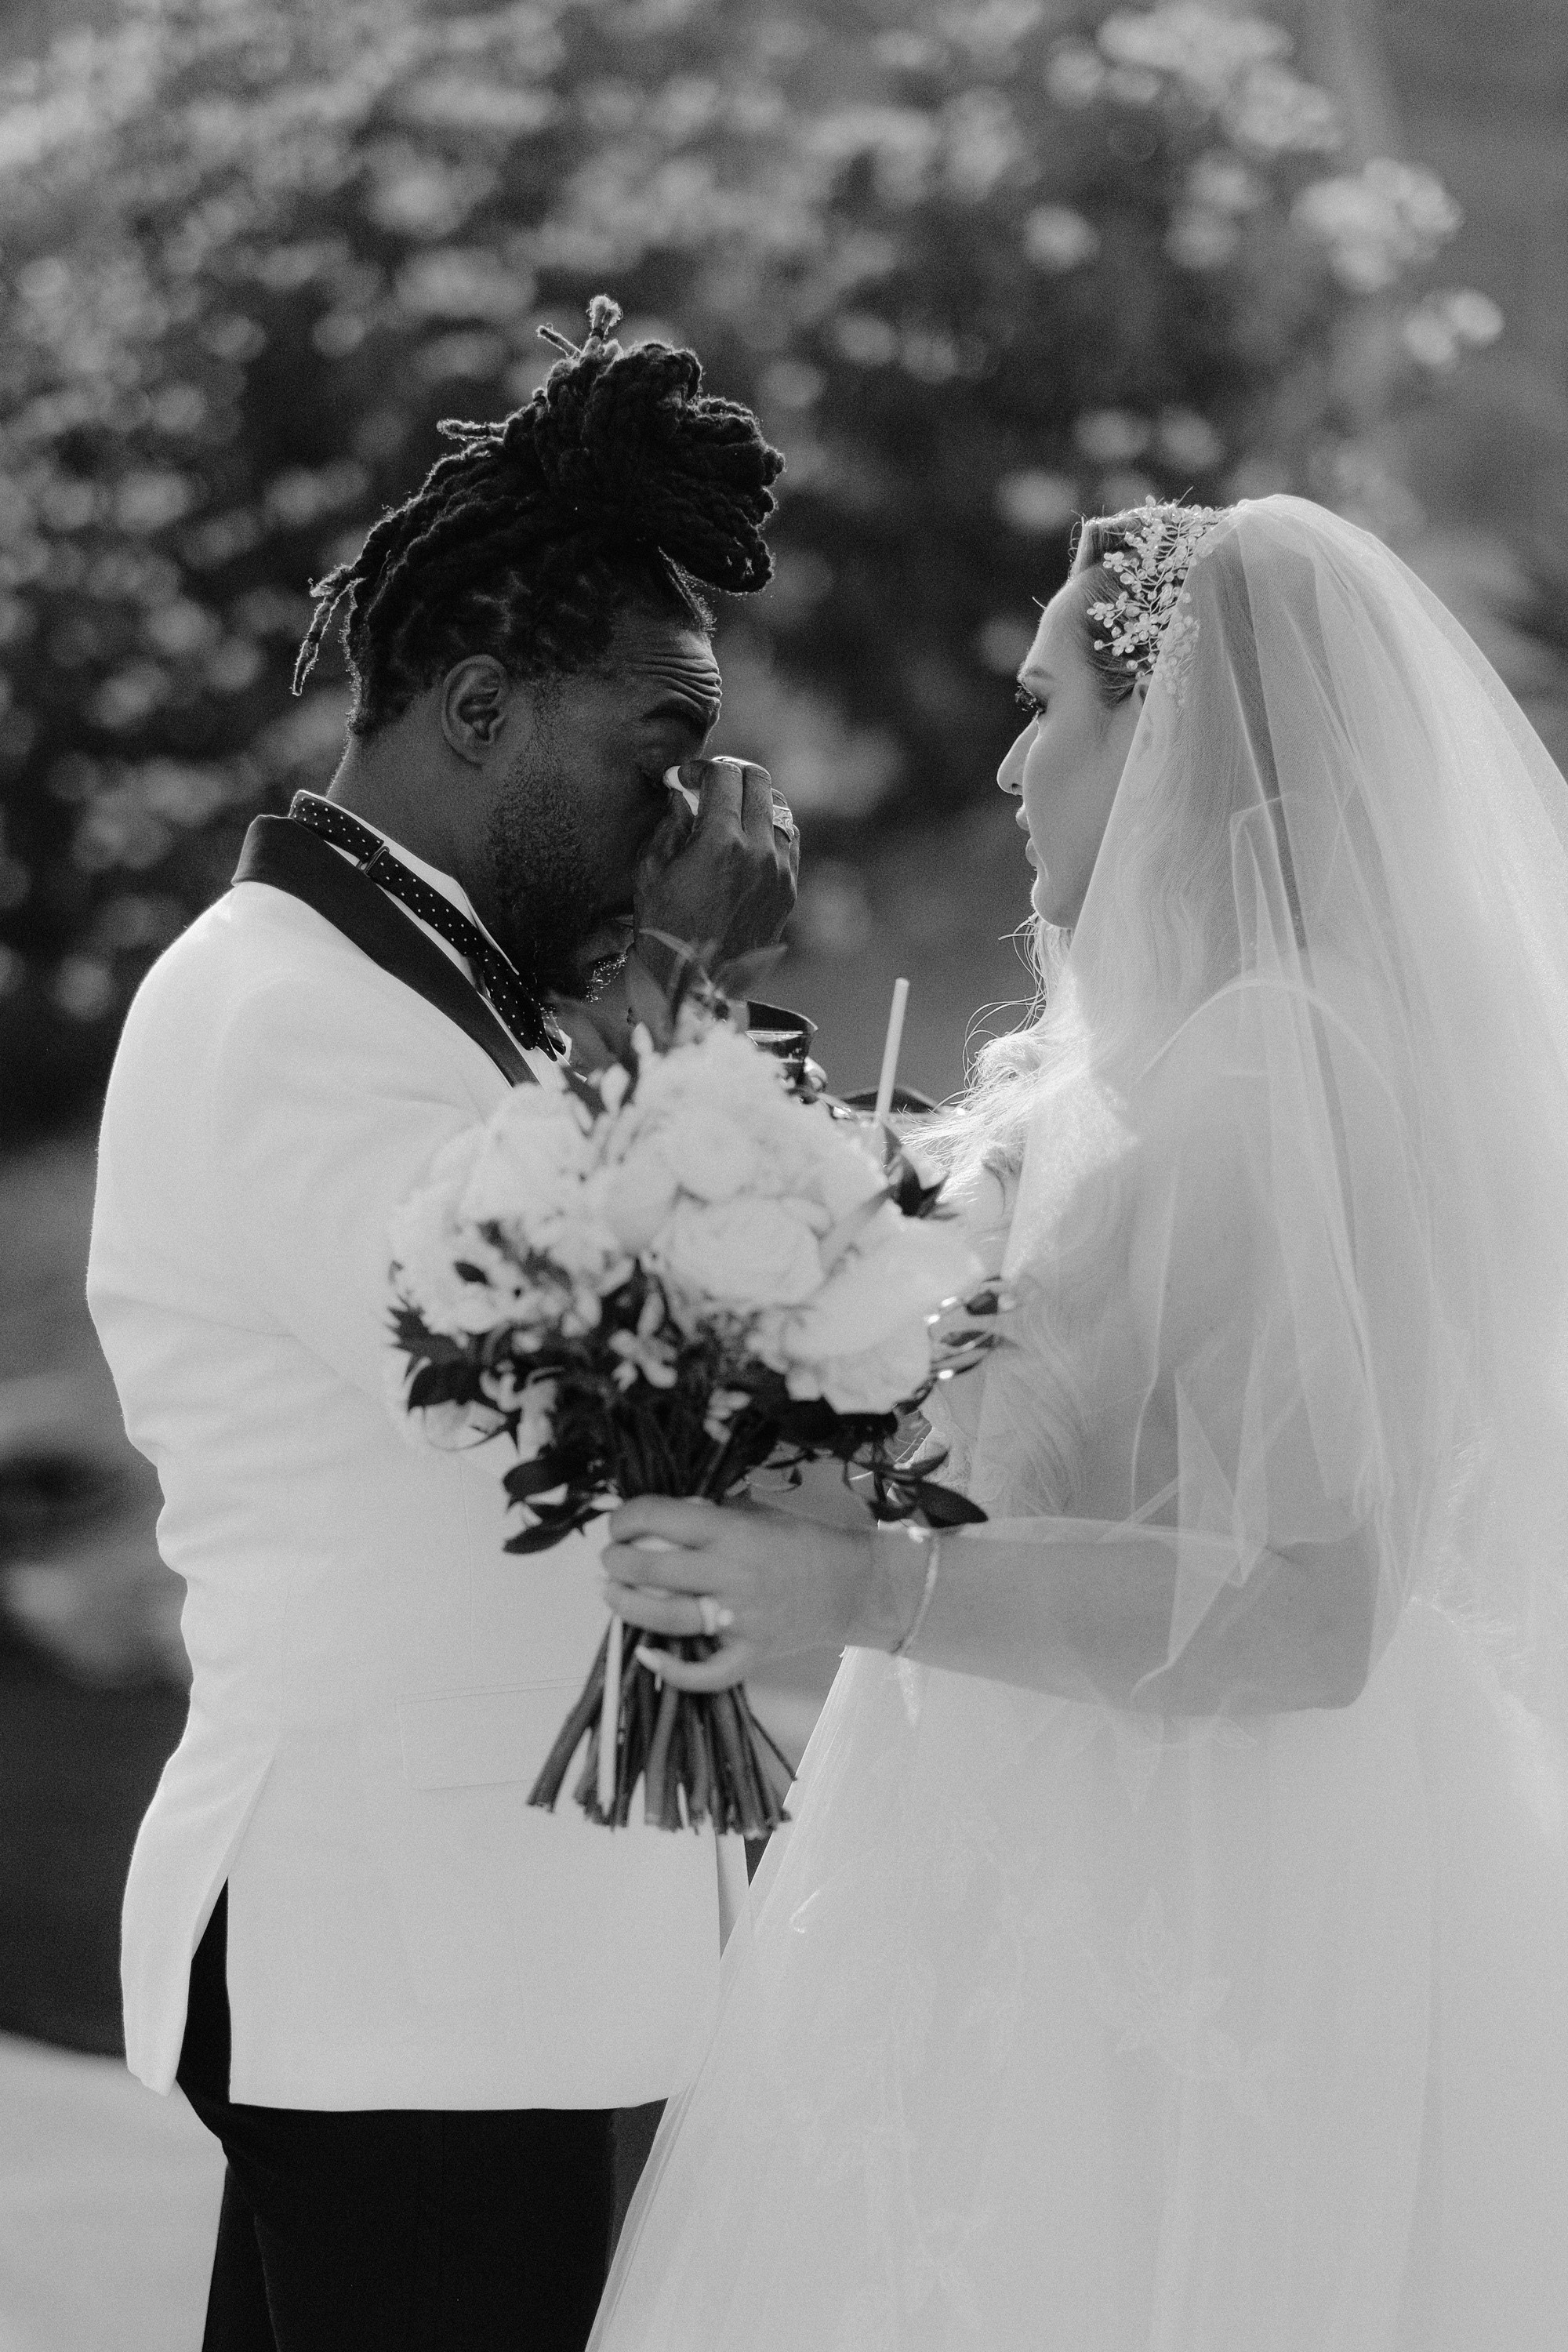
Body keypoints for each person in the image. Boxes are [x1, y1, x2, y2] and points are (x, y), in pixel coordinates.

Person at [589, 495, 1568, 2349]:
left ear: (1177, 740)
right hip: (1012, 1827)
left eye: (1051, 708)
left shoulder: (1279, 1070)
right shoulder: (1153, 1070)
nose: (1013, 759)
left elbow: (1312, 1607)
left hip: (1205, 1883)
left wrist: (861, 1592)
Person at [85, 298, 798, 2352]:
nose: (701, 806)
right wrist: (680, 1002)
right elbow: (557, 1391)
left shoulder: (440, 999)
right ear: (478, 707)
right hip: (407, 1963)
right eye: (662, 741)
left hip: (503, 1964)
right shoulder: (287, 1016)